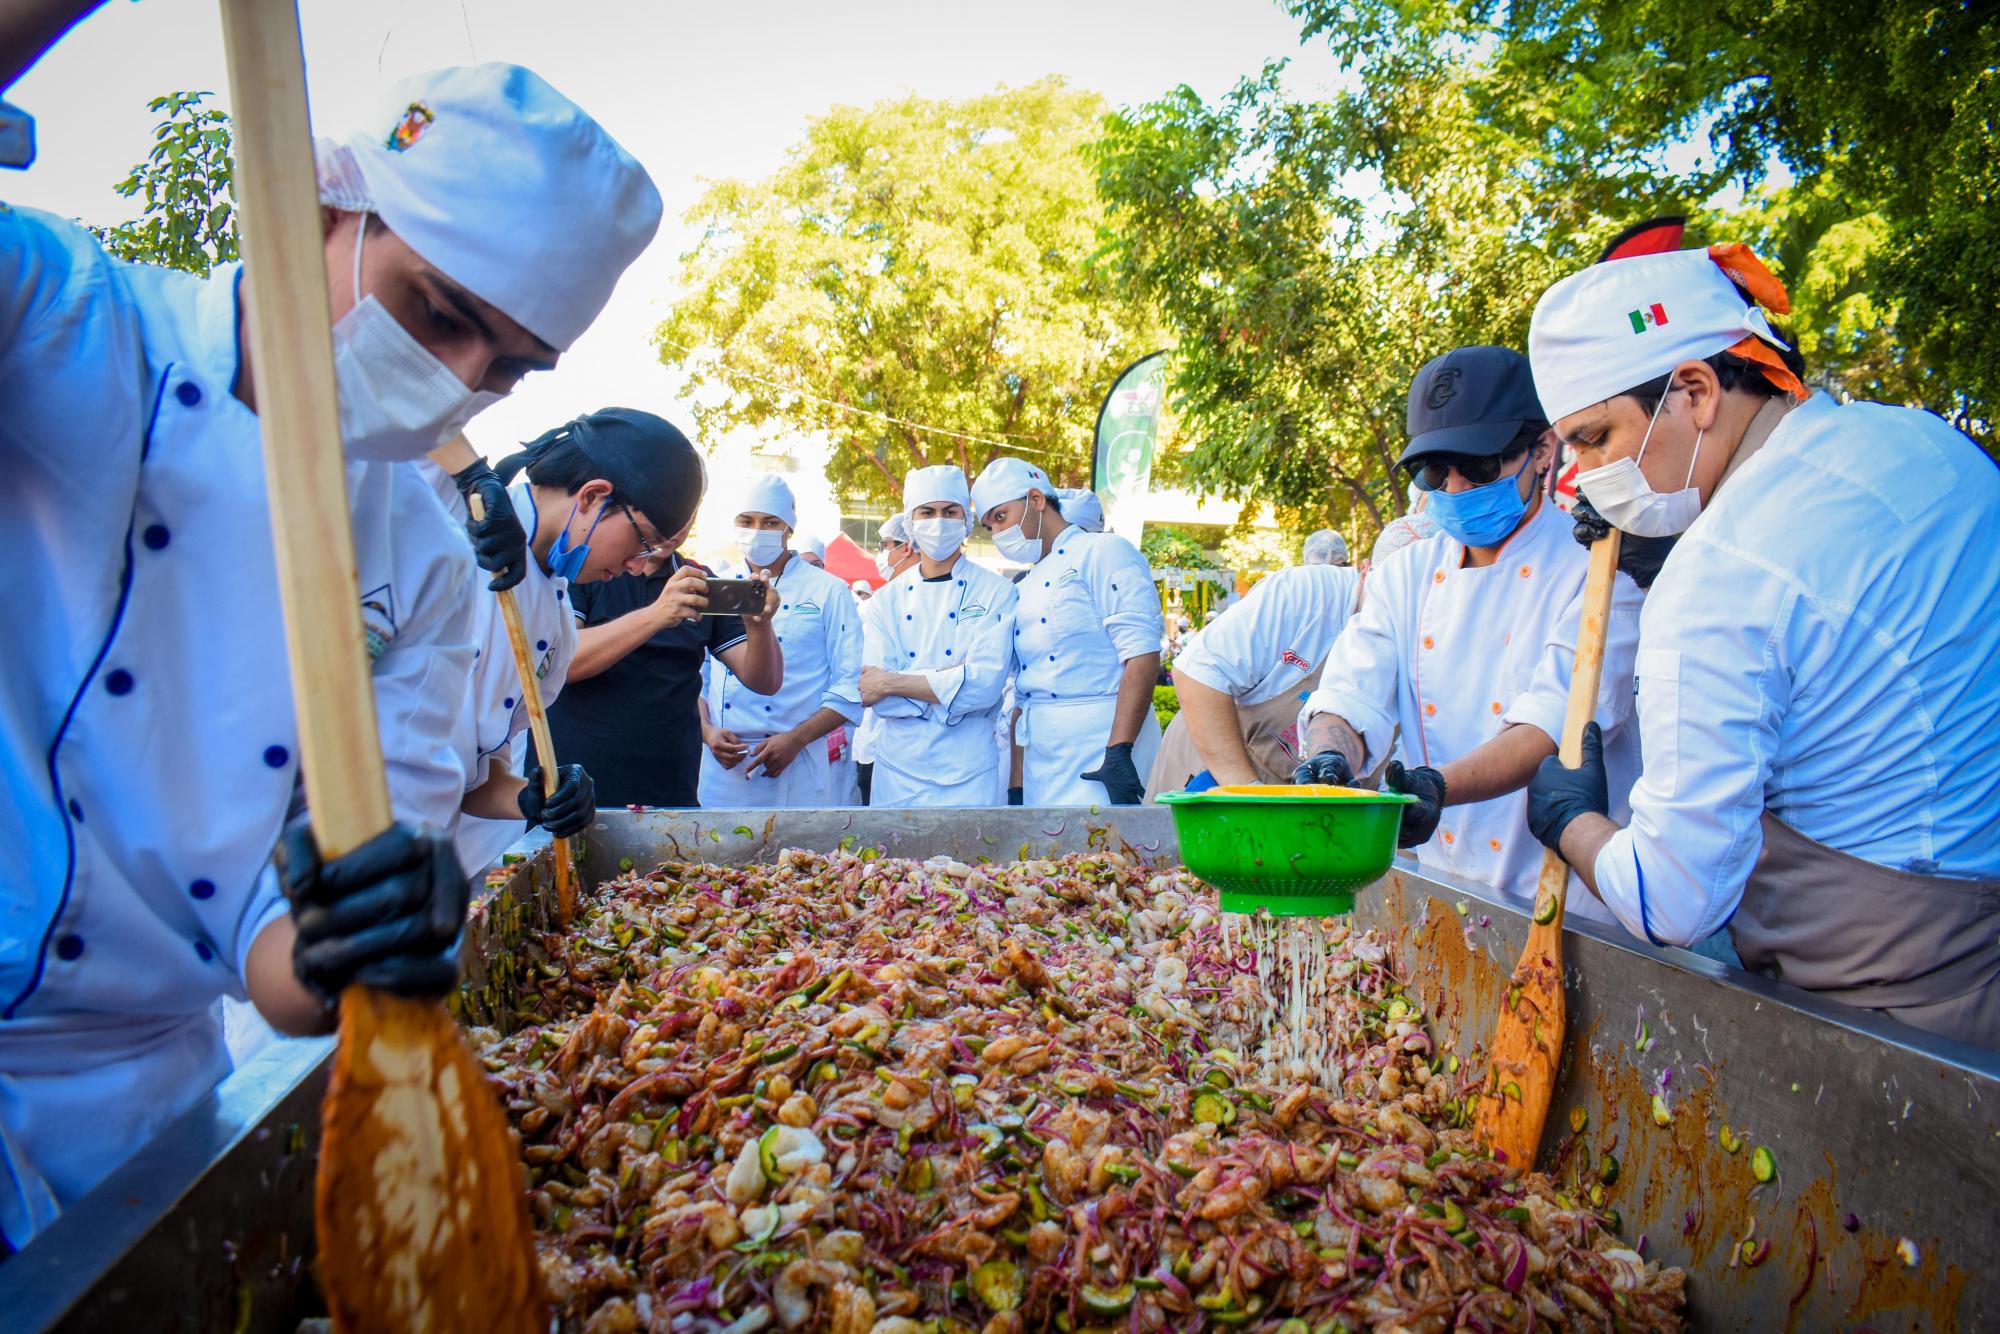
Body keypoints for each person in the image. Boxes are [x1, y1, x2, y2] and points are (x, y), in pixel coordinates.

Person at [0, 38, 659, 1247]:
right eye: (437, 312)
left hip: (137, 1108)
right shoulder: (63, 326)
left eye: (509, 367)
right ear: (322, 208)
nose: (459, 378)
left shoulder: (414, 544)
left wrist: (347, 938)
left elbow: (276, 931)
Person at [1523, 244, 2000, 1046]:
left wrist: (1573, 822)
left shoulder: (1720, 576)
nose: (1581, 474)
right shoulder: (1924, 443)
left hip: (1890, 998)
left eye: (1596, 437)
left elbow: (1673, 899)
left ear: (1697, 391)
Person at [1294, 346, 1642, 921]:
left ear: (1541, 451)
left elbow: (1553, 725)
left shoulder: (1600, 570)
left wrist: (1434, 786)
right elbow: (1352, 695)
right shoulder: (1404, 574)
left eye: (1478, 466)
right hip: (1438, 887)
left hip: (1560, 899)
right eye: (1434, 471)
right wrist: (1331, 755)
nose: (1454, 489)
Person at [972, 458, 1164, 805]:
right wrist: (1016, 786)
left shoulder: (1104, 550)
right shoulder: (1023, 584)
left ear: (1036, 499)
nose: (998, 533)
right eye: (989, 526)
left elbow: (1142, 654)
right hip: (1043, 755)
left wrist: (1119, 750)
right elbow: (1022, 693)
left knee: (1110, 856)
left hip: (1103, 743)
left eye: (1001, 517)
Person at [698, 475, 862, 807]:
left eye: (770, 522)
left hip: (798, 767)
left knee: (797, 857)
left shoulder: (828, 590)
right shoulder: (717, 587)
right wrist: (707, 732)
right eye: (747, 521)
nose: (757, 530)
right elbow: (696, 677)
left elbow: (849, 688)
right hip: (723, 770)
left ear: (788, 528)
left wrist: (794, 740)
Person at [859, 466, 1019, 806]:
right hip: (898, 769)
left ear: (965, 521)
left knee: (975, 859)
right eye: (927, 512)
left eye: (950, 512)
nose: (939, 521)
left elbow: (984, 686)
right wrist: (950, 685)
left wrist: (893, 681)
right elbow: (874, 692)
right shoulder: (885, 599)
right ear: (910, 522)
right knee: (891, 859)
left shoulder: (997, 592)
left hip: (970, 769)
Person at [1146, 557, 1362, 795]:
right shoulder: (1308, 592)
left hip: (1295, 803)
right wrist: (1247, 793)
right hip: (1213, 768)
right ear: (1367, 570)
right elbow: (1198, 672)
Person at [853, 514, 915, 802]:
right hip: (876, 742)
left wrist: (891, 683)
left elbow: (969, 685)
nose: (882, 553)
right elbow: (868, 684)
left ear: (907, 547)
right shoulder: (879, 604)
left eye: (885, 544)